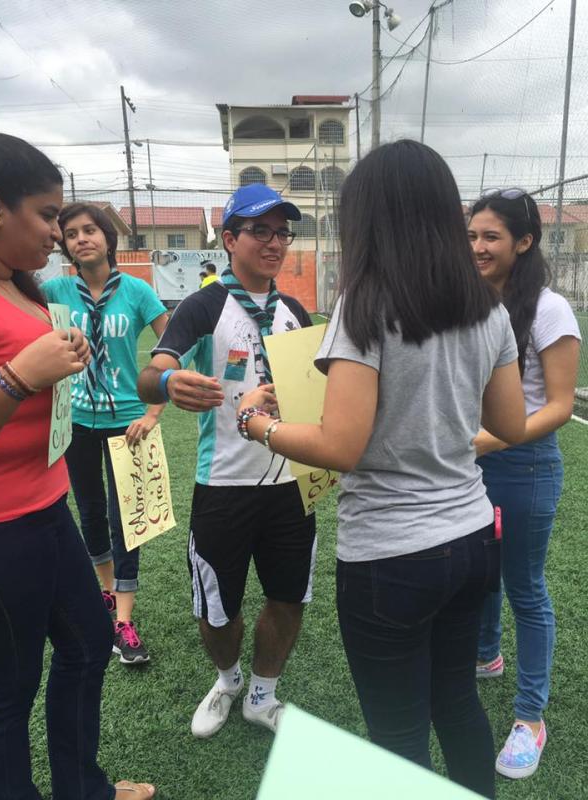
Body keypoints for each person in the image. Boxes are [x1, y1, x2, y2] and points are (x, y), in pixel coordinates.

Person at [234, 141, 526, 799]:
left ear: (368, 217)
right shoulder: (486, 308)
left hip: (391, 559)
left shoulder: (365, 305)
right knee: (457, 702)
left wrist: (259, 424)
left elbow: (341, 445)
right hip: (474, 538)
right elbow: (509, 425)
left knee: (397, 739)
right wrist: (435, 435)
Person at [0, 133, 155, 799]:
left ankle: (82, 788)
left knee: (88, 648)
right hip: (0, 529)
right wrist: (18, 379)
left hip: (46, 509)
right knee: (6, 693)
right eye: (48, 215)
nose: (59, 232)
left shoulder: (21, 286)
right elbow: (15, 380)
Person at [137, 183, 316, 738]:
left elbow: (314, 390)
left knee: (289, 597)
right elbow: (151, 371)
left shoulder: (293, 310)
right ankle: (229, 678)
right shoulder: (204, 304)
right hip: (223, 486)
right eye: (260, 230)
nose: (274, 242)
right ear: (230, 237)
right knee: (217, 608)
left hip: (291, 484)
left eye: (282, 232)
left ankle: (263, 694)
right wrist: (170, 380)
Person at [469, 189, 581, 779]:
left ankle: (531, 716)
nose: (478, 247)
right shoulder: (468, 302)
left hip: (526, 464)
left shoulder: (549, 308)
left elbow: (560, 404)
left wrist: (489, 440)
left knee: (526, 588)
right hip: (472, 466)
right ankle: (486, 655)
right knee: (479, 571)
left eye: (490, 237)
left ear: (524, 241)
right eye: (472, 236)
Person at [41, 202, 168, 665]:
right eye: (71, 233)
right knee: (91, 513)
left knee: (128, 521)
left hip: (128, 421)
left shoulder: (136, 291)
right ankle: (107, 593)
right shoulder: (53, 290)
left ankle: (124, 622)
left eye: (90, 230)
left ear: (108, 238)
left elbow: (173, 346)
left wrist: (154, 411)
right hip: (75, 421)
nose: (81, 239)